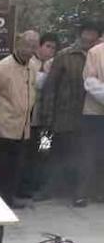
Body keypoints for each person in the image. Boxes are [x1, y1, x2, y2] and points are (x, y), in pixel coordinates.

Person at [40, 19, 102, 203]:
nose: (89, 37)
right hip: (62, 115)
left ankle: (80, 193)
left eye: (93, 34)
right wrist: (47, 117)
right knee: (52, 152)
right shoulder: (65, 56)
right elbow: (50, 87)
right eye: (86, 32)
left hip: (88, 117)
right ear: (80, 34)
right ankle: (49, 189)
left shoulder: (99, 56)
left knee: (84, 156)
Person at [0, 29, 40, 207]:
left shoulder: (32, 66)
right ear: (18, 44)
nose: (29, 50)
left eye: (33, 46)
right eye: (26, 45)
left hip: (22, 125)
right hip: (3, 125)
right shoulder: (2, 67)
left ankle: (9, 198)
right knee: (1, 167)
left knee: (16, 166)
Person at [21, 32, 59, 198]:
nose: (50, 51)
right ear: (39, 46)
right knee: (29, 154)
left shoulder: (54, 64)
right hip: (31, 119)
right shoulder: (29, 62)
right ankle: (26, 186)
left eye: (53, 48)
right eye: (47, 46)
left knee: (44, 151)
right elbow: (35, 83)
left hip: (46, 121)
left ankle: (39, 186)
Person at [81, 36, 104, 205]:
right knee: (88, 155)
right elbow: (89, 82)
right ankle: (81, 193)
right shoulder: (95, 52)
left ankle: (100, 192)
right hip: (95, 113)